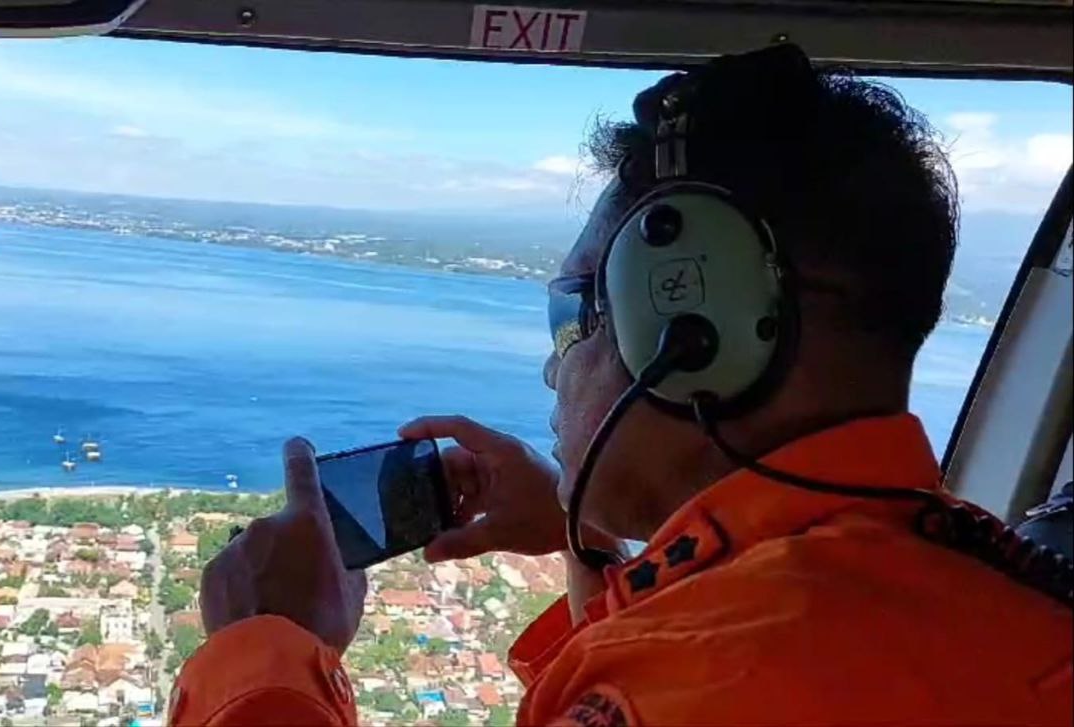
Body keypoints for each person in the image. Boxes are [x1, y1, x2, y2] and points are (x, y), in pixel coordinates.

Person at [171, 46, 1073, 725]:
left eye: (575, 315)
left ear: (691, 322)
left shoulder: (716, 686)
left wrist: (263, 650)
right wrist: (585, 531)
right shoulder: (974, 568)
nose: (554, 365)